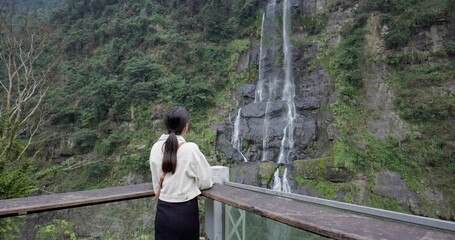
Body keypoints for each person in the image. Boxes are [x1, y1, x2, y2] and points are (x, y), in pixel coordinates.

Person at [149, 106, 213, 240]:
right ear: (186, 127)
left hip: (163, 211)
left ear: (166, 126)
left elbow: (157, 187)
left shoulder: (155, 148)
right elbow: (206, 181)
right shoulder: (191, 149)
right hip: (185, 213)